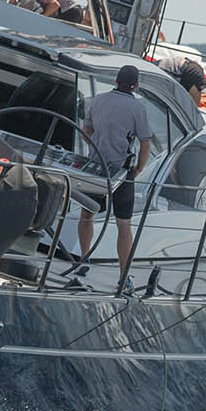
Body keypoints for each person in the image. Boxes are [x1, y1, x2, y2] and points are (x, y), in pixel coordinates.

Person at [79, 64, 151, 292]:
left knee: (87, 213)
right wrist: (138, 168)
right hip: (122, 171)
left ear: (115, 81)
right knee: (123, 224)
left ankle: (83, 259)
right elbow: (145, 143)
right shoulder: (138, 108)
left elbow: (86, 129)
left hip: (96, 166)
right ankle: (123, 277)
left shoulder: (98, 100)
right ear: (136, 85)